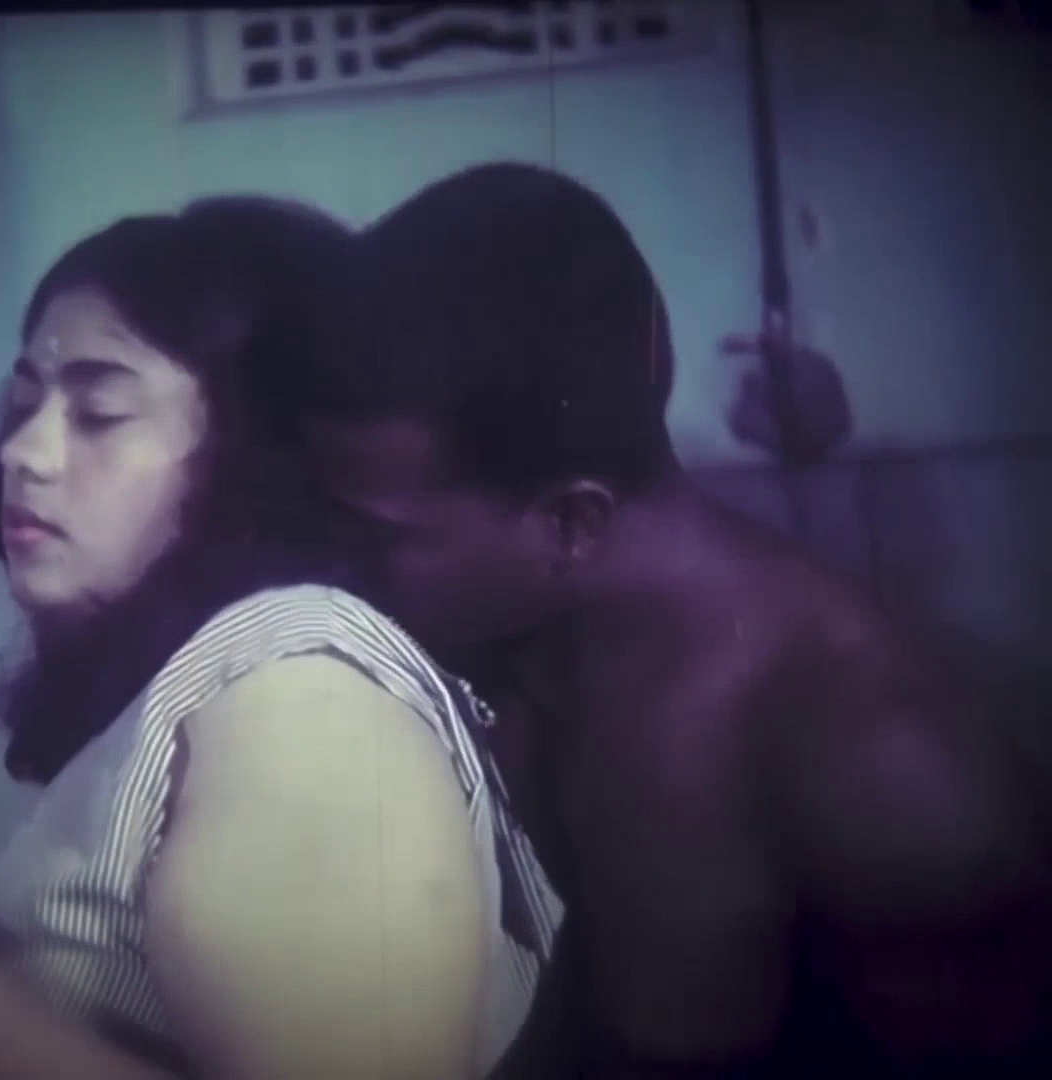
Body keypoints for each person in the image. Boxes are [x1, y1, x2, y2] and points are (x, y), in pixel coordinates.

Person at [0, 194, 562, 1080]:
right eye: (25, 405)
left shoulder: (303, 693)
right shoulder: (221, 683)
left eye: (98, 413)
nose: (23, 452)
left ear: (253, 454)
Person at [299, 162, 1052, 1076]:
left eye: (381, 534)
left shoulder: (878, 764)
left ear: (572, 523)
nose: (340, 563)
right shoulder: (496, 650)